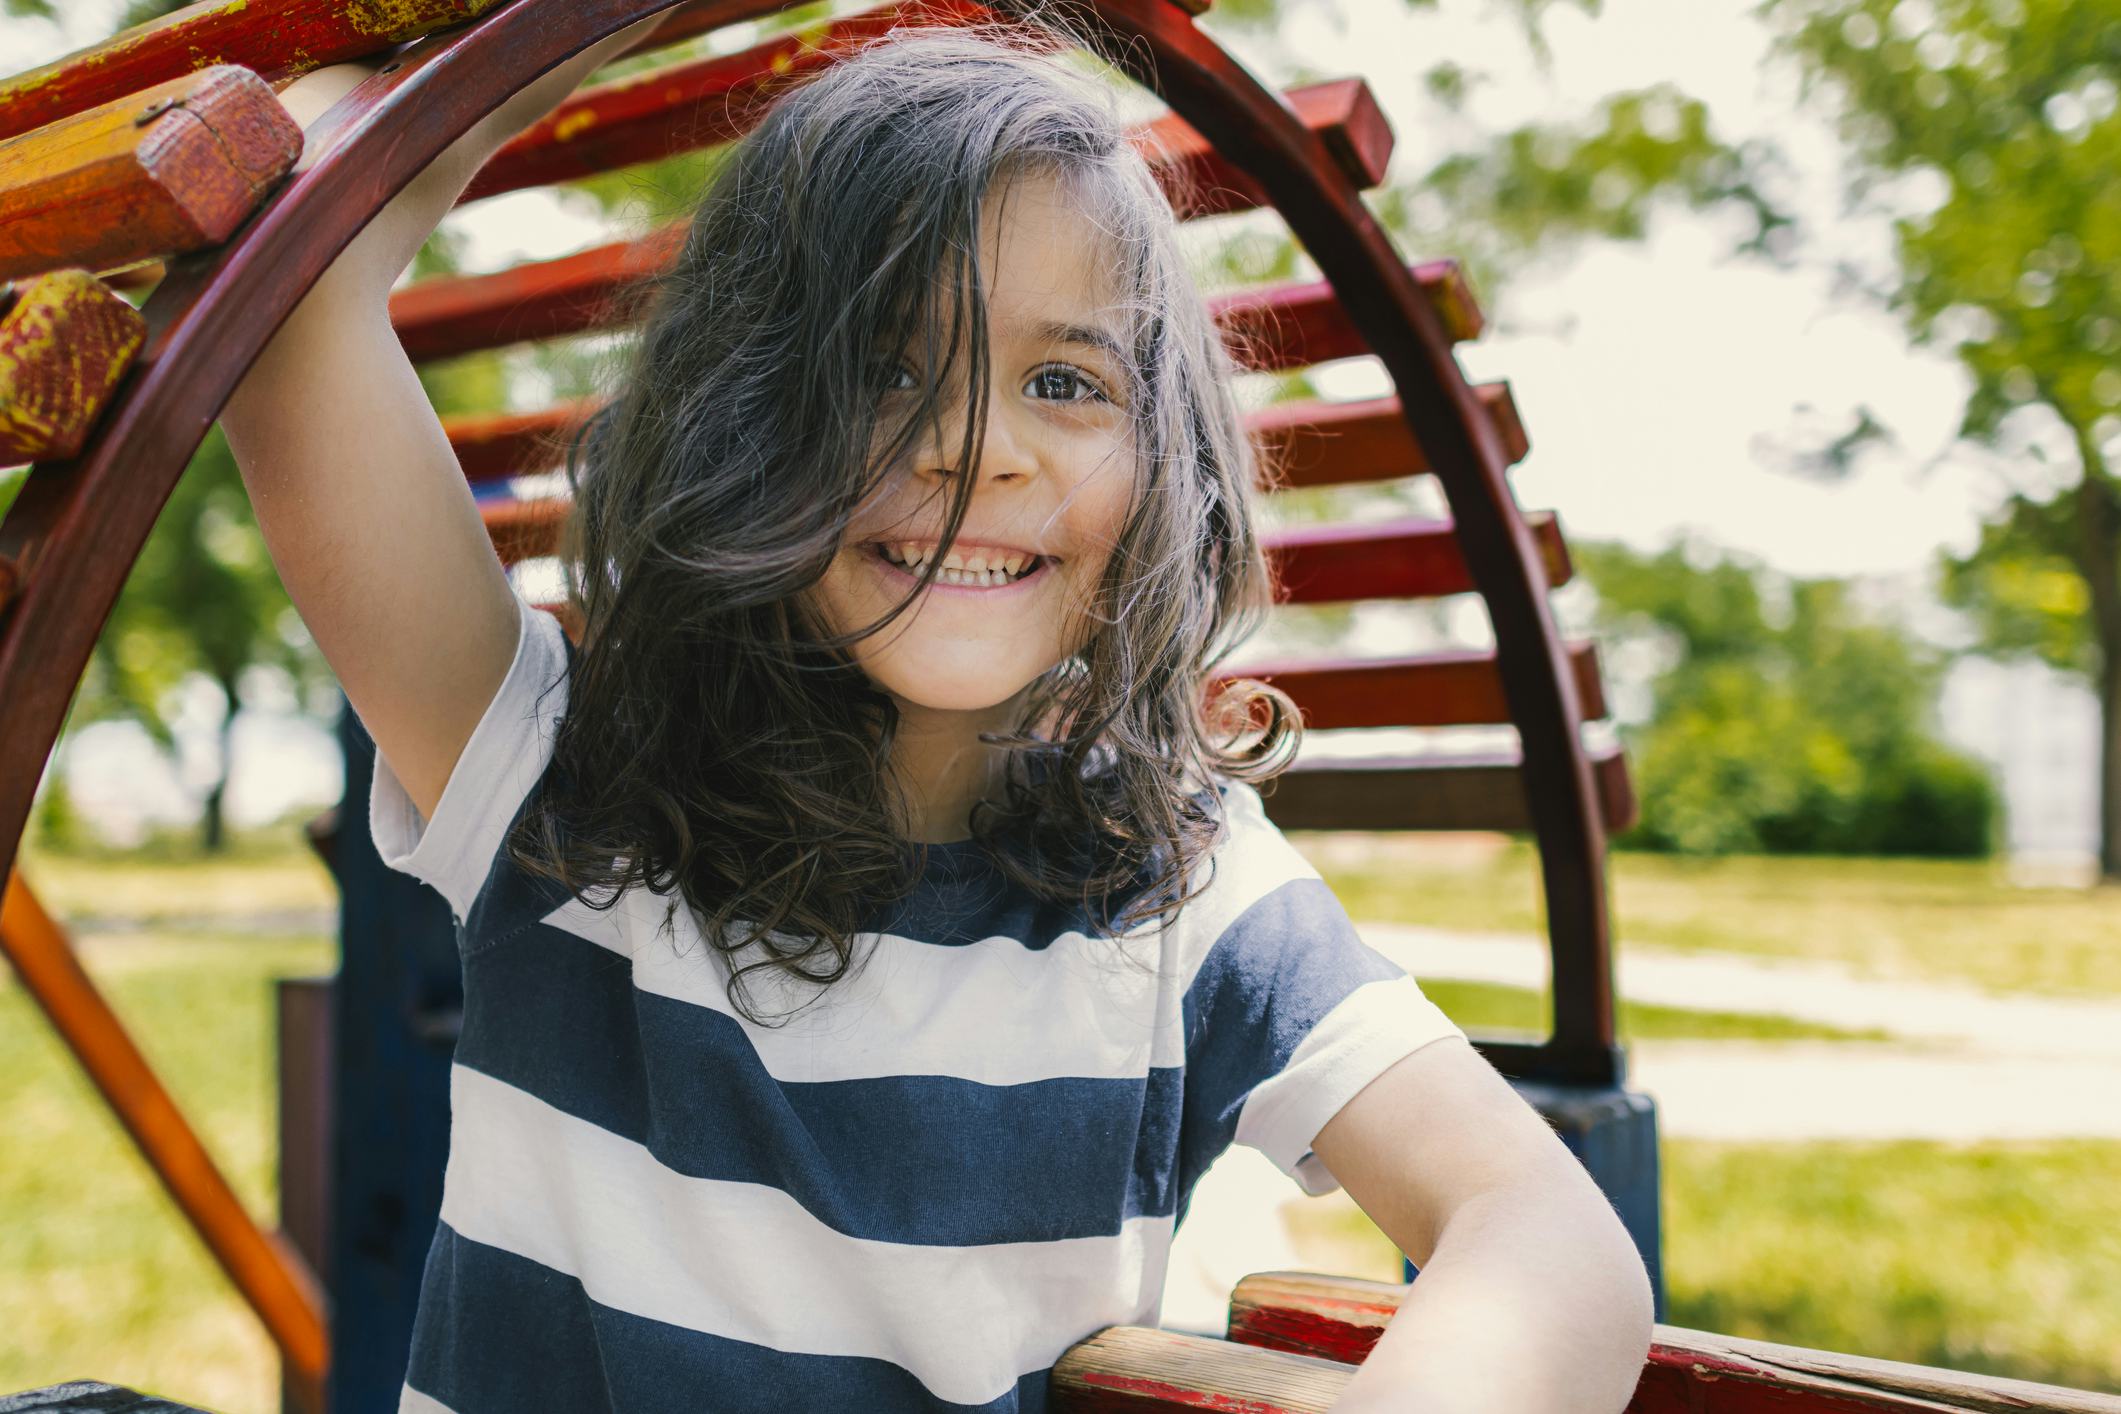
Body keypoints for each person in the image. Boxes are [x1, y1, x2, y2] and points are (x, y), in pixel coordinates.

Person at [224, 12, 1653, 1412]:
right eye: (886, 365)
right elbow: (296, 283)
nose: (979, 443)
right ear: (740, 411)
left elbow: (1544, 1238)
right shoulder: (557, 780)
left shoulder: (1183, 889)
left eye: (1062, 378)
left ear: (1164, 465)